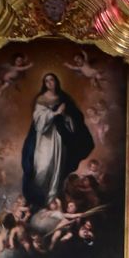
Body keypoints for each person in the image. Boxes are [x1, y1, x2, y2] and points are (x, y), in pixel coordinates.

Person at [21, 71, 93, 210]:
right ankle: (38, 199)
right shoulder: (41, 99)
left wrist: (65, 116)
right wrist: (54, 113)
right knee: (43, 167)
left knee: (56, 167)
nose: (49, 83)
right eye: (47, 81)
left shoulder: (63, 99)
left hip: (59, 137)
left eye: (52, 80)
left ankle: (51, 200)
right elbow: (38, 120)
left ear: (56, 82)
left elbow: (73, 120)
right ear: (44, 84)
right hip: (44, 138)